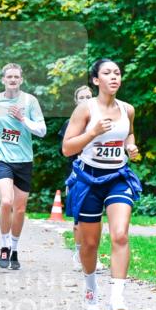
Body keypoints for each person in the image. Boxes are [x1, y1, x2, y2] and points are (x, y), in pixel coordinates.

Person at [61, 59, 142, 310]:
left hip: (118, 176)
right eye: (107, 73)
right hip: (88, 178)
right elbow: (67, 148)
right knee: (89, 244)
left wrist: (131, 147)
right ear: (96, 80)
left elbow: (128, 134)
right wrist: (93, 132)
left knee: (120, 235)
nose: (114, 77)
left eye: (117, 72)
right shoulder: (85, 110)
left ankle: (117, 298)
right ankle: (90, 289)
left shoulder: (127, 109)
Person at [0, 63, 47, 269]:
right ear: (3, 80)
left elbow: (42, 130)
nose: (12, 80)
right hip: (1, 158)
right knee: (6, 202)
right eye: (9, 77)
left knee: (19, 209)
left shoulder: (30, 101)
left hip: (24, 160)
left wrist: (23, 119)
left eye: (16, 77)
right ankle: (4, 246)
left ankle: (15, 249)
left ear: (21, 79)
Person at [59, 84, 102, 272]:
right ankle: (79, 255)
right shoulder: (70, 124)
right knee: (78, 220)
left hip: (98, 175)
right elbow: (66, 151)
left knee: (95, 219)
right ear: (76, 102)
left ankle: (93, 256)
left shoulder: (100, 122)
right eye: (81, 98)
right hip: (78, 175)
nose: (85, 100)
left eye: (88, 97)